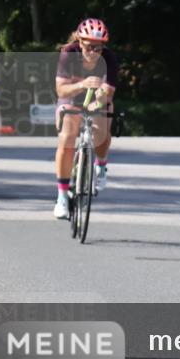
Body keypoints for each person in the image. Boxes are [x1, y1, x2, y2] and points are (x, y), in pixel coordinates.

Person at [53, 18, 119, 219]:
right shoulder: (68, 53)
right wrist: (82, 85)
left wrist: (98, 100)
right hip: (71, 96)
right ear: (80, 42)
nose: (94, 52)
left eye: (98, 48)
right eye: (89, 47)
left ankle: (101, 163)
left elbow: (108, 94)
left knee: (102, 127)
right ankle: (62, 197)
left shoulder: (109, 59)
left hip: (96, 100)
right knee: (67, 137)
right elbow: (61, 89)